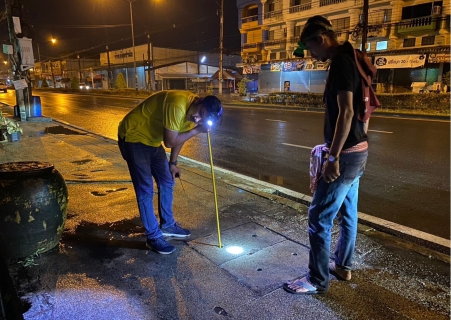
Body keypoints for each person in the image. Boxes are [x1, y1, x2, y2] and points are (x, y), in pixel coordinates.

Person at [284, 16, 369, 294]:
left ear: (320, 40)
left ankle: (317, 280)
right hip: (359, 151)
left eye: (310, 48)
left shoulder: (342, 63)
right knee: (348, 213)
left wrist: (332, 158)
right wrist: (358, 141)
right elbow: (363, 111)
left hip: (344, 156)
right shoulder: (353, 57)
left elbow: (345, 112)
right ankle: (342, 266)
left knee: (319, 217)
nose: (311, 54)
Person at [118, 91, 223, 255]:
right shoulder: (178, 103)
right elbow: (170, 141)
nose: (197, 119)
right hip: (133, 136)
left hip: (152, 141)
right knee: (145, 189)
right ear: (199, 101)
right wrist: (197, 130)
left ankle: (167, 225)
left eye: (203, 119)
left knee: (167, 181)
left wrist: (173, 163)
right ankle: (153, 237)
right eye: (200, 113)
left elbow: (179, 137)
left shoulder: (191, 114)